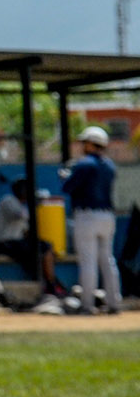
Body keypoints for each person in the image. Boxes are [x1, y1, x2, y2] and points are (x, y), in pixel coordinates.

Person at [65, 125, 122, 314]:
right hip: (107, 216)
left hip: (87, 215)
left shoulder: (84, 163)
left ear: (92, 143)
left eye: (85, 142)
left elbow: (68, 187)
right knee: (108, 260)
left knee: (88, 261)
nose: (83, 145)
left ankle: (87, 305)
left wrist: (66, 175)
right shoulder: (110, 165)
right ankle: (114, 303)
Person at [0, 177, 64, 301]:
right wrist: (38, 203)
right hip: (2, 243)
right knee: (41, 248)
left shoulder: (23, 206)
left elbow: (26, 231)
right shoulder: (8, 200)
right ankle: (51, 285)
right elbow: (21, 215)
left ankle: (51, 284)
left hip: (15, 244)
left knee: (44, 248)